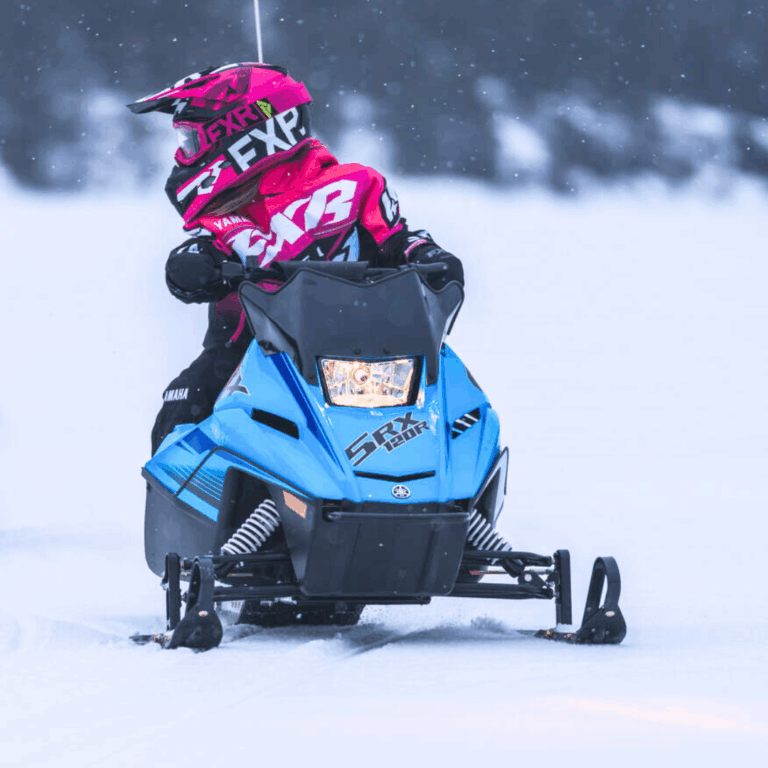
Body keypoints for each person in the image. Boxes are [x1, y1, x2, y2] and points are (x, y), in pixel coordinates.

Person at [128, 63, 463, 453]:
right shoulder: (226, 217)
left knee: (460, 405)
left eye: (191, 141)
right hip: (251, 358)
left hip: (372, 352)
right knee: (184, 406)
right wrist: (191, 265)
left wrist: (426, 254)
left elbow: (395, 236)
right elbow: (199, 255)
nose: (184, 154)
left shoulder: (354, 186)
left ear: (241, 132)